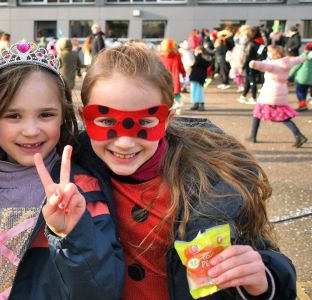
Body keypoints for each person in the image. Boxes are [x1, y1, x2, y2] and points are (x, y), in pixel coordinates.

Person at [75, 42, 297, 299]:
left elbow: (265, 256)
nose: (124, 142)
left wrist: (263, 279)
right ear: (84, 118)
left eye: (146, 122)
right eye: (106, 121)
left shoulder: (213, 182)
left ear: (167, 119)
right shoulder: (71, 171)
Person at [0, 40, 123, 299]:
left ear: (64, 114)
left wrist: (73, 234)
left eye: (45, 115)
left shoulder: (80, 189)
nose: (31, 131)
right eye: (13, 115)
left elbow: (102, 289)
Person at [246, 45, 308, 148]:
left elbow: (262, 66)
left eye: (270, 52)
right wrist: (305, 56)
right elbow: (298, 59)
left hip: (270, 93)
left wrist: (253, 63)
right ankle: (253, 135)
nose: (268, 53)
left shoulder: (273, 65)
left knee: (263, 114)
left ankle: (299, 135)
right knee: (278, 116)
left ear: (274, 54)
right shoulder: (287, 62)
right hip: (281, 90)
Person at [158, 38, 186, 114]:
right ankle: (178, 106)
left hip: (163, 78)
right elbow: (181, 66)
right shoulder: (176, 55)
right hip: (174, 78)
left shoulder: (160, 56)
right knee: (176, 94)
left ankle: (166, 108)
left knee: (164, 93)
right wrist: (183, 73)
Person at [289, 42, 312, 111]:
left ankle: (302, 105)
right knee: (305, 91)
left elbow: (296, 66)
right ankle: (304, 103)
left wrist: (290, 75)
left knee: (300, 92)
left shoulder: (304, 55)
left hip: (302, 78)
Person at [189, 45, 212, 111]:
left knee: (196, 90)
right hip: (200, 76)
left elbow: (196, 64)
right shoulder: (205, 58)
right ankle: (197, 104)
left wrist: (198, 55)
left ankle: (198, 104)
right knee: (198, 90)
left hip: (196, 76)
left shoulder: (199, 57)